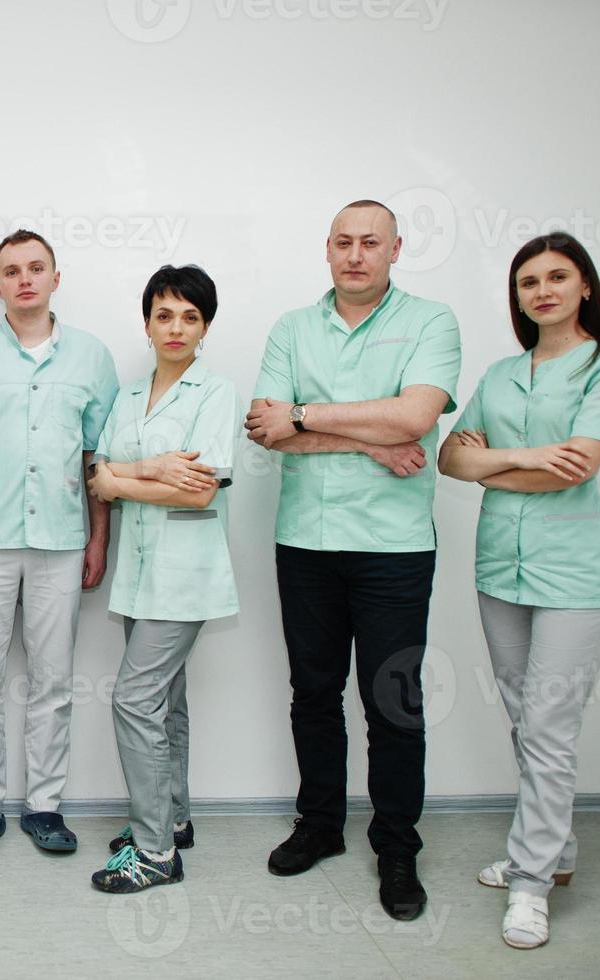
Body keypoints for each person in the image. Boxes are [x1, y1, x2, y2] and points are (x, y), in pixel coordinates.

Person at [244, 200, 461, 921]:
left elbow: (413, 418)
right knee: (313, 693)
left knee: (392, 704)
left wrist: (307, 414)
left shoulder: (430, 323)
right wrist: (367, 440)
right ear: (326, 249)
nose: (355, 255)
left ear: (396, 249)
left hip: (392, 549)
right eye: (343, 242)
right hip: (304, 541)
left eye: (370, 242)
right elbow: (264, 430)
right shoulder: (291, 328)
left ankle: (396, 847)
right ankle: (320, 826)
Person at [438, 232, 600, 949]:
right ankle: (558, 851)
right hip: (499, 569)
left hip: (574, 574)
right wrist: (518, 458)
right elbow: (449, 459)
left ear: (584, 286)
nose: (541, 291)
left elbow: (576, 467)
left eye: (557, 277)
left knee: (550, 732)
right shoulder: (498, 374)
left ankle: (528, 885)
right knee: (526, 723)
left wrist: (490, 464)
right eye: (527, 282)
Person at [0, 229, 120, 859]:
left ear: (55, 278)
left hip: (62, 540)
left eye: (35, 268)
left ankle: (45, 805)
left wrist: (98, 538)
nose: (24, 279)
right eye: (11, 271)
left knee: (53, 680)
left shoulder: (93, 358)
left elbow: (100, 460)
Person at [85, 264, 239, 893]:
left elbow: (200, 492)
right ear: (146, 321)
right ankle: (173, 820)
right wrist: (138, 473)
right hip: (138, 574)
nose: (176, 327)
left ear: (206, 326)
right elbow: (97, 475)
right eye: (164, 314)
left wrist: (121, 480)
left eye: (190, 316)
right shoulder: (125, 396)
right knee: (166, 702)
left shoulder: (215, 392)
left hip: (186, 575)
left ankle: (152, 854)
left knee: (133, 700)